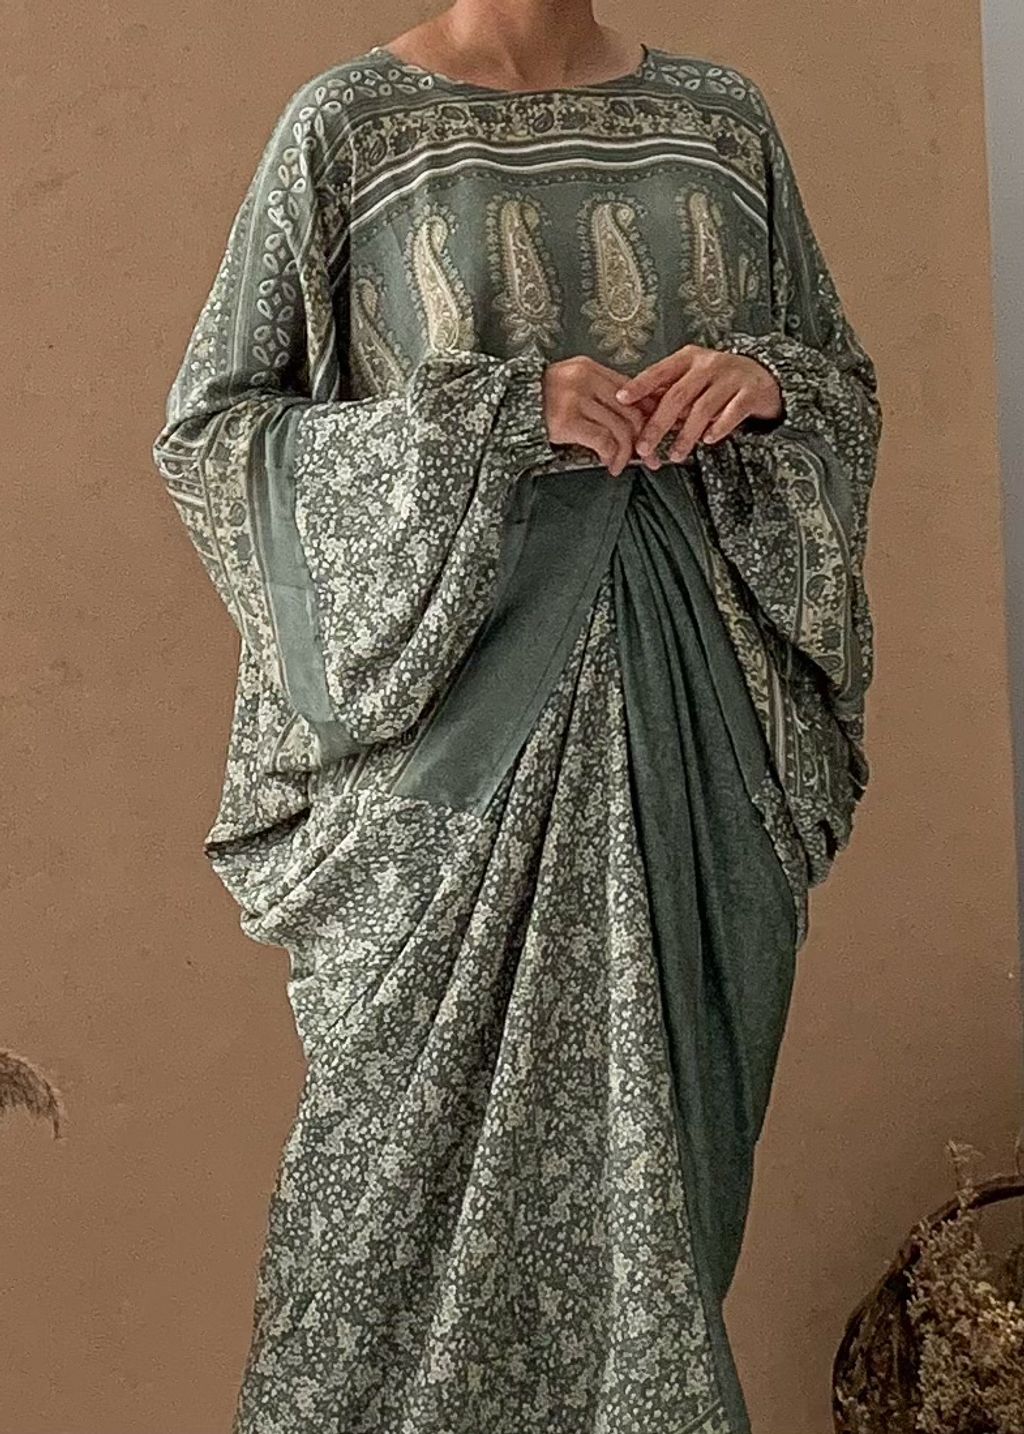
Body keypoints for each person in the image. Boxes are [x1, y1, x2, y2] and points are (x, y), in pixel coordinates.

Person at [151, 4, 883, 1431]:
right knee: (376, 1237)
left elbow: (838, 386)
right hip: (454, 759)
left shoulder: (724, 123)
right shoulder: (349, 129)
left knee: (658, 1233)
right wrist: (491, 417)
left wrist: (767, 383)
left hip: (695, 724)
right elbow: (218, 439)